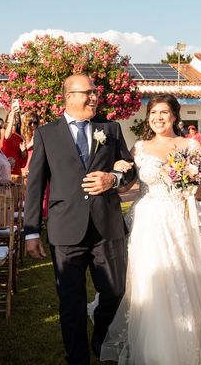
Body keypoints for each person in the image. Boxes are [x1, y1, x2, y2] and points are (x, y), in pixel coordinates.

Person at [101, 94, 201, 364]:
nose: (158, 117)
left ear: (175, 116)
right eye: (153, 112)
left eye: (164, 112)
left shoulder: (190, 145)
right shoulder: (140, 148)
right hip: (148, 219)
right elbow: (128, 184)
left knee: (185, 273)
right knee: (148, 274)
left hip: (182, 217)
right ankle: (151, 335)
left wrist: (189, 183)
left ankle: (191, 336)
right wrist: (117, 171)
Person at [24, 74, 136, 365]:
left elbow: (129, 171)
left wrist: (113, 178)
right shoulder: (47, 134)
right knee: (70, 302)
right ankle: (77, 356)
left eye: (96, 92)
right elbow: (35, 185)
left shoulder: (110, 129)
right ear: (68, 96)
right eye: (87, 92)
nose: (94, 97)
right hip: (65, 229)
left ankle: (100, 336)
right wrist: (31, 231)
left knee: (115, 291)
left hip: (106, 226)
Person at [0, 106, 26, 176]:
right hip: (5, 168)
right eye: (12, 115)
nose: (14, 117)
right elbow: (7, 136)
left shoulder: (20, 136)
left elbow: (23, 157)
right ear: (8, 118)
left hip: (16, 170)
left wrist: (23, 151)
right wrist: (12, 117)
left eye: (16, 116)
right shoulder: (3, 131)